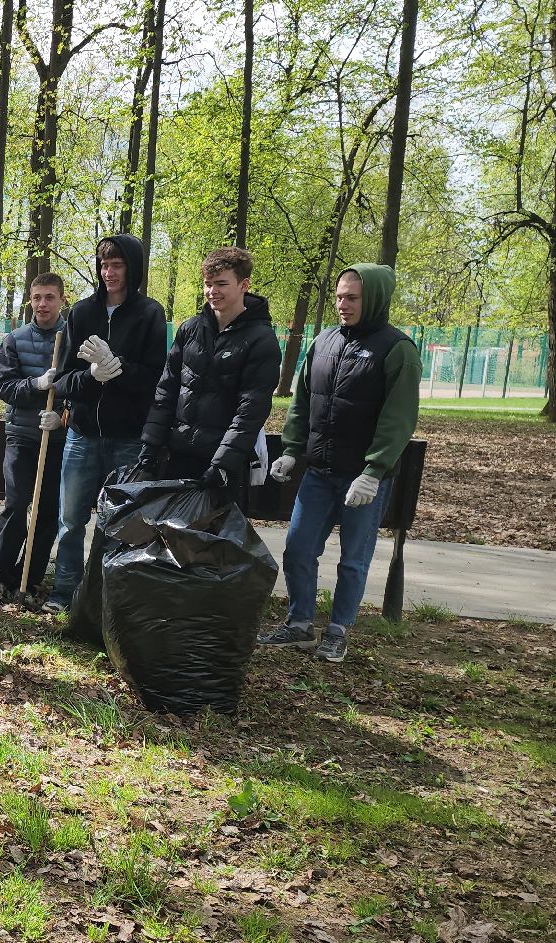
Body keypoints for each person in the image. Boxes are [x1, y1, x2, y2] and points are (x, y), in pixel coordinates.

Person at [258, 264, 421, 663]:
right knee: (297, 549)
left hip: (363, 479)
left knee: (353, 559)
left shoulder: (397, 349)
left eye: (352, 297)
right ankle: (299, 625)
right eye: (338, 296)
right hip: (319, 473)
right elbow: (302, 402)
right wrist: (292, 450)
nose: (342, 304)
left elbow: (398, 419)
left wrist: (374, 470)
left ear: (375, 299)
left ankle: (338, 630)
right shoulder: (323, 342)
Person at [42, 234, 168, 615]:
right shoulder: (82, 313)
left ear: (132, 268)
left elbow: (155, 379)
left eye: (117, 265)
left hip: (128, 438)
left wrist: (119, 369)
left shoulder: (150, 313)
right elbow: (64, 380)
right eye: (104, 265)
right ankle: (64, 591)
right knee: (70, 519)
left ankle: (103, 596)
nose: (109, 273)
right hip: (82, 435)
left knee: (117, 524)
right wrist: (94, 375)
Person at [137, 246, 280, 506]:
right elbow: (166, 391)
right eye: (208, 284)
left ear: (243, 285)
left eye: (222, 284)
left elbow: (251, 411)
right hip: (178, 456)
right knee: (166, 541)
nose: (213, 291)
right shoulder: (190, 329)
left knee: (211, 544)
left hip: (222, 465)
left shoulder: (262, 340)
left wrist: (223, 464)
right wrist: (150, 445)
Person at [0, 272, 69, 604]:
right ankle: (0, 576)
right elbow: (4, 387)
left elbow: (82, 389)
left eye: (49, 297)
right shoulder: (15, 339)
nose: (42, 304)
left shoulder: (72, 340)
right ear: (29, 301)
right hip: (21, 434)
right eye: (37, 298)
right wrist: (35, 386)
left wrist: (63, 418)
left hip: (57, 438)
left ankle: (28, 581)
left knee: (47, 511)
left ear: (62, 300)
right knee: (16, 505)